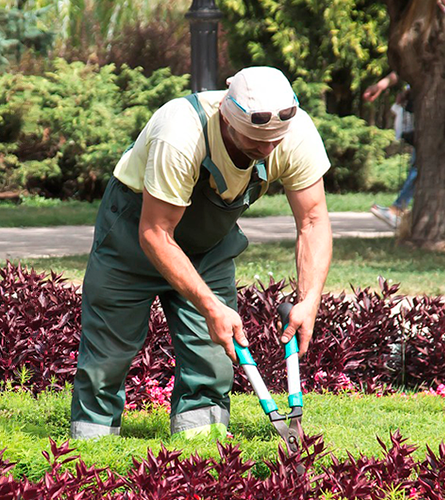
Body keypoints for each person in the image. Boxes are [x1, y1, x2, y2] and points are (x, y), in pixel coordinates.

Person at [70, 67, 333, 440]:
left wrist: (309, 300)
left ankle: (202, 452)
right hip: (134, 235)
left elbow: (313, 219)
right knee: (107, 357)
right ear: (227, 117)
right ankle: (91, 450)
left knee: (212, 358)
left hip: (208, 245)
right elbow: (156, 232)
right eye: (256, 141)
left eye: (275, 141)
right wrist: (210, 306)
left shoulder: (294, 132)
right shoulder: (180, 133)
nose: (268, 150)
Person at [364, 0, 445, 228]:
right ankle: (401, 208)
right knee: (421, 157)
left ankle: (399, 208)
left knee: (425, 158)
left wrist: (434, 46)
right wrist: (384, 85)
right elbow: (413, 65)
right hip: (427, 101)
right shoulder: (439, 21)